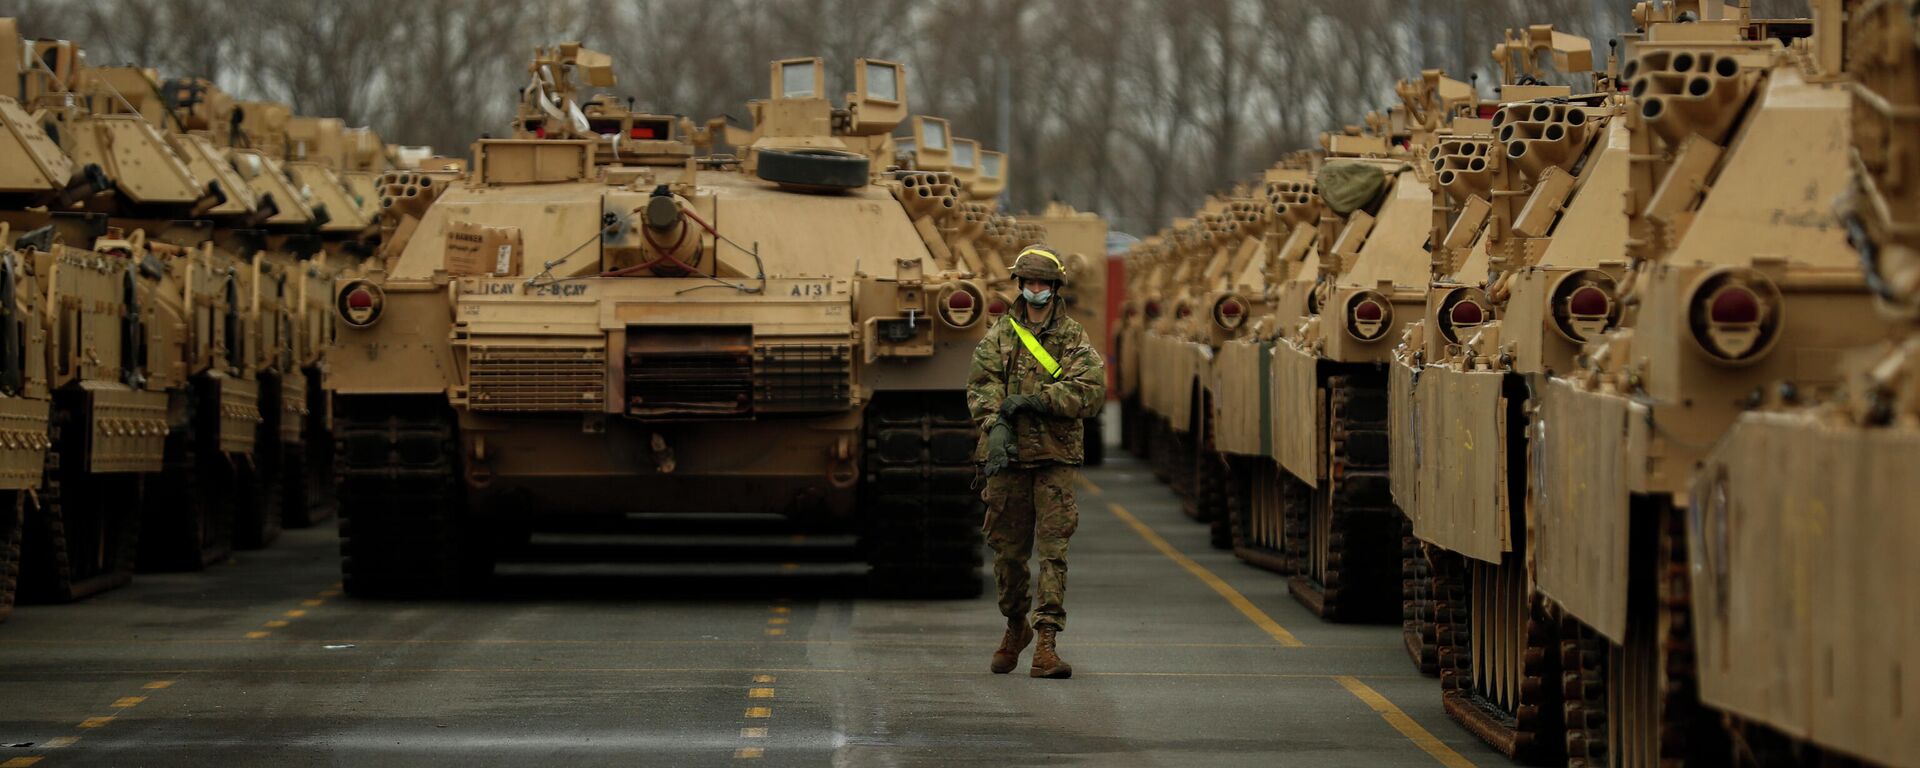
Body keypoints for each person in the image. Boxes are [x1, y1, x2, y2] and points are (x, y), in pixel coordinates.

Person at [966, 244, 1106, 679]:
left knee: (1052, 553)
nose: (1036, 290)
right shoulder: (1000, 334)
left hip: (1053, 457)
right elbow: (981, 384)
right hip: (1008, 458)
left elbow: (1090, 390)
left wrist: (1037, 401)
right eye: (1029, 283)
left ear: (1055, 287)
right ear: (1020, 285)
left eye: (1043, 283)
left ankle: (1046, 641)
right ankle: (1015, 626)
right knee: (1007, 554)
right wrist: (995, 421)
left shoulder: (1072, 337)